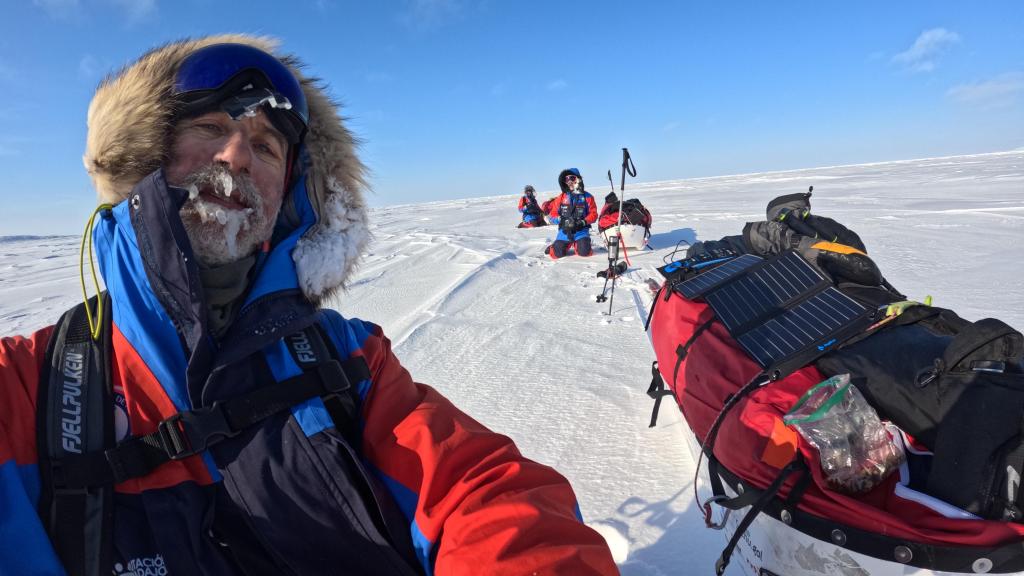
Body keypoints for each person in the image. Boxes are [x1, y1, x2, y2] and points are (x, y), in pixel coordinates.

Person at [0, 36, 618, 576]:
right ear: (142, 161)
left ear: (291, 200)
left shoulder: (349, 358)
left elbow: (481, 492)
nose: (238, 155)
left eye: (266, 147)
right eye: (211, 127)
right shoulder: (30, 390)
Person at [546, 168, 598, 258]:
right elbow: (552, 215)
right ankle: (554, 247)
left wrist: (583, 222)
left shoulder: (588, 197)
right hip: (564, 232)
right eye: (566, 179)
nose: (569, 181)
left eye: (572, 178)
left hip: (581, 231)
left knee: (585, 252)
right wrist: (560, 219)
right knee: (556, 254)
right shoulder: (561, 198)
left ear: (578, 179)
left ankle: (580, 244)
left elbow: (593, 214)